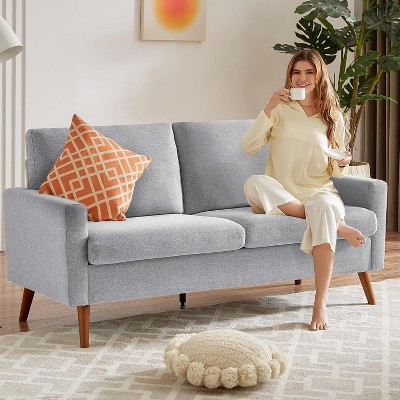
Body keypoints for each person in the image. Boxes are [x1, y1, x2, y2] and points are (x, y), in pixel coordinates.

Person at [242, 49, 366, 331]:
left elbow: (335, 171)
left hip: (318, 192)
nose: (302, 78)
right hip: (280, 194)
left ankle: (320, 302)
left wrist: (343, 163)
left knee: (323, 206)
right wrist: (268, 106)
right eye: (296, 72)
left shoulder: (333, 115)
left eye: (309, 72)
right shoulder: (280, 109)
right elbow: (248, 147)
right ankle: (338, 226)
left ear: (319, 75)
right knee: (254, 182)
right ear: (289, 76)